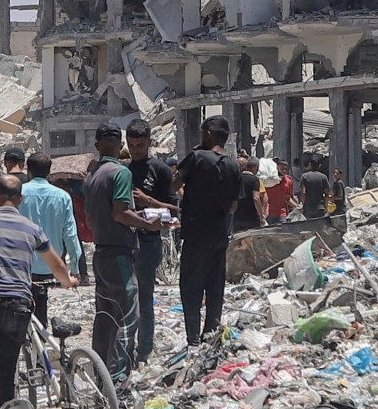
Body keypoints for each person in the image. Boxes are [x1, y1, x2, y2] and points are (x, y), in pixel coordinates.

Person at [0, 174, 75, 409]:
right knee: (8, 370)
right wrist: (67, 281)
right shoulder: (32, 228)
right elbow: (56, 265)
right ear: (20, 199)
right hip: (18, 304)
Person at [82, 126, 157, 379]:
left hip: (100, 253)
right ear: (120, 145)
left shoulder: (91, 176)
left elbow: (91, 220)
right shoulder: (121, 173)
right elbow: (120, 212)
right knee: (128, 316)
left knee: (105, 317)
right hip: (119, 254)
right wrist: (149, 223)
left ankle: (100, 375)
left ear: (97, 145)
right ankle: (118, 378)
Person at [172, 118, 242, 346]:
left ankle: (193, 339)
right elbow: (233, 205)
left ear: (209, 134)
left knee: (191, 287)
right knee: (214, 287)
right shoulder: (233, 165)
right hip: (219, 234)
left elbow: (174, 185)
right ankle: (211, 336)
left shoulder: (197, 158)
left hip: (195, 234)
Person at [124, 122, 176, 364]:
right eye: (131, 145)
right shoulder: (121, 171)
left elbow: (176, 210)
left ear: (149, 143)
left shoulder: (161, 170)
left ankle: (143, 350)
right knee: (125, 299)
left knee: (144, 298)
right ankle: (125, 349)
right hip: (123, 242)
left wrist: (148, 201)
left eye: (140, 146)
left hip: (148, 243)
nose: (135, 150)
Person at [15, 157, 81, 330]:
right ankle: (39, 348)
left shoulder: (17, 193)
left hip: (20, 264)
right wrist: (74, 268)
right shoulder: (62, 196)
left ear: (28, 171)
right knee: (40, 305)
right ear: (49, 172)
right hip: (49, 265)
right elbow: (71, 234)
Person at [258, 157, 291, 224]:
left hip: (281, 214)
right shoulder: (268, 180)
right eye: (282, 169)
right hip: (267, 214)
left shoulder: (288, 181)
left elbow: (287, 198)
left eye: (286, 169)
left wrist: (296, 206)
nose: (284, 171)